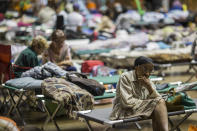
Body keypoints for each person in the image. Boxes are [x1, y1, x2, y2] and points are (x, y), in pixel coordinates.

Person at [109, 56, 168, 131]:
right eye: (145, 69)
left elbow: (157, 98)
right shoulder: (125, 77)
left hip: (141, 108)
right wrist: (149, 103)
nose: (147, 73)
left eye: (150, 70)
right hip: (125, 111)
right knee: (158, 105)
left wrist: (149, 86)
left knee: (158, 108)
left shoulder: (147, 81)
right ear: (137, 67)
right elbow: (127, 103)